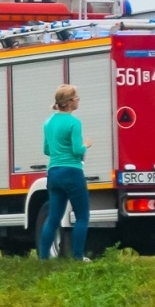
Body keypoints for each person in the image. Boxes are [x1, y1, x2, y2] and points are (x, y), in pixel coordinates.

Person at [40, 83, 91, 261]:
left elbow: (46, 150)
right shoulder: (74, 123)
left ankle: (43, 258)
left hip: (53, 173)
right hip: (72, 172)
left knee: (54, 217)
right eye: (76, 98)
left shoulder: (48, 123)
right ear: (69, 103)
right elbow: (77, 151)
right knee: (82, 216)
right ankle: (78, 257)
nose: (78, 101)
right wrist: (86, 145)